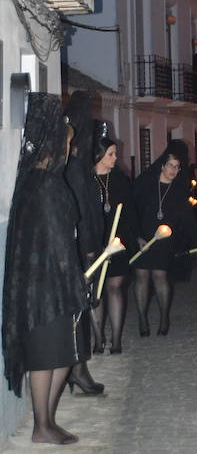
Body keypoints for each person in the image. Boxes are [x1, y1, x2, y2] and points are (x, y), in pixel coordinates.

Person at [3, 93, 88, 445]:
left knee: (63, 354)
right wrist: (75, 280)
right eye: (66, 143)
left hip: (45, 286)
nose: (69, 151)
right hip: (47, 289)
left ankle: (47, 421)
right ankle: (42, 424)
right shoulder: (45, 186)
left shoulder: (35, 182)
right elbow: (57, 241)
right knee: (47, 355)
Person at [133, 140, 197, 336]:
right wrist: (137, 236)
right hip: (143, 237)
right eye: (170, 165)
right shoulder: (145, 183)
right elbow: (133, 210)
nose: (173, 170)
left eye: (177, 167)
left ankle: (164, 317)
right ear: (162, 165)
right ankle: (142, 318)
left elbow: (187, 218)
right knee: (141, 276)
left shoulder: (179, 191)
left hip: (164, 240)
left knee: (159, 275)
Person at [62, 91, 104, 396]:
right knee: (79, 311)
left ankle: (77, 368)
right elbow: (82, 212)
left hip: (77, 247)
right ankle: (78, 369)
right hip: (79, 249)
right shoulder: (75, 167)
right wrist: (90, 249)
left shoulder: (74, 163)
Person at [91, 123, 138, 354]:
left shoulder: (120, 180)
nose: (115, 157)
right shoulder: (87, 180)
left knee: (116, 286)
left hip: (117, 241)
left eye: (115, 153)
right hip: (96, 242)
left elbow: (129, 211)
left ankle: (117, 338)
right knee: (96, 291)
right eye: (110, 154)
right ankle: (98, 338)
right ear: (98, 155)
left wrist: (129, 238)